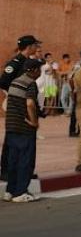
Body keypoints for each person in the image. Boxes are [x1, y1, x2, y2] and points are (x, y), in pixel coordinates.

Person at [0, 35, 42, 183]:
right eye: (35, 45)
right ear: (29, 46)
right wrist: (15, 93)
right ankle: (5, 171)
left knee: (26, 139)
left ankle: (24, 170)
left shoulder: (28, 62)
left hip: (27, 102)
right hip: (17, 105)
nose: (37, 48)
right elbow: (3, 81)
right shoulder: (16, 62)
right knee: (12, 138)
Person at [4, 59, 43, 203]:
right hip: (24, 127)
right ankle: (21, 192)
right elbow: (30, 103)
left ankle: (10, 191)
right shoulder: (30, 83)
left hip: (11, 126)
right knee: (25, 160)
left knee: (13, 160)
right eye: (39, 70)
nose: (40, 73)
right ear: (33, 70)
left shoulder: (15, 81)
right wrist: (34, 121)